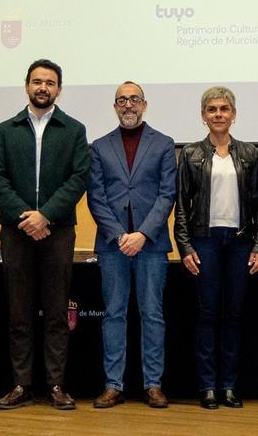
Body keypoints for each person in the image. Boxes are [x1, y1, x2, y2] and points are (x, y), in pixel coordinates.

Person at [0, 59, 89, 410]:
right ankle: (20, 384)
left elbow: (78, 179)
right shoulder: (6, 129)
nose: (42, 87)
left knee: (57, 312)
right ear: (26, 86)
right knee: (19, 311)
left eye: (49, 82)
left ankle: (56, 385)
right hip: (15, 232)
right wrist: (25, 217)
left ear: (59, 89)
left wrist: (45, 215)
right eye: (36, 81)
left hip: (57, 231)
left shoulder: (74, 129)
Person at [173, 86, 258, 409]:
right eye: (212, 109)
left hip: (240, 242)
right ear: (203, 116)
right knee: (207, 312)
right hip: (204, 241)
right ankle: (207, 386)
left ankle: (228, 385)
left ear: (233, 114)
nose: (218, 114)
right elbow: (182, 205)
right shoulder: (191, 154)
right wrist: (184, 245)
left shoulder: (249, 154)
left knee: (234, 314)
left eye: (224, 109)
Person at [87, 82, 177, 409]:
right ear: (115, 107)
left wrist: (142, 234)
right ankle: (114, 384)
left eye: (134, 99)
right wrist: (119, 235)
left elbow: (168, 194)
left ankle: (153, 384)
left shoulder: (164, 144)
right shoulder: (99, 146)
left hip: (151, 245)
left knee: (152, 314)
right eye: (122, 100)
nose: (128, 105)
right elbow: (96, 197)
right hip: (113, 246)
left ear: (144, 105)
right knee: (114, 314)